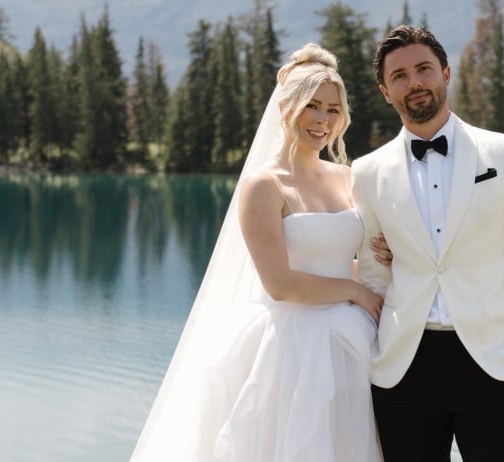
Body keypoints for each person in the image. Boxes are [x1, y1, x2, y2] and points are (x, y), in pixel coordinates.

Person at [131, 43, 384, 461]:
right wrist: (355, 291)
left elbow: (349, 255)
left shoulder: (348, 177)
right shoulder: (264, 185)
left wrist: (378, 262)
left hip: (351, 343)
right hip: (290, 350)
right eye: (312, 106)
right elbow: (280, 284)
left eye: (333, 110)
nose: (322, 120)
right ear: (287, 108)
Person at [352, 25, 504, 461]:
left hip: (493, 365)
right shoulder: (367, 172)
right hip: (402, 367)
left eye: (424, 69)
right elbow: (373, 272)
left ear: (446, 73)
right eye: (400, 76)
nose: (415, 82)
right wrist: (371, 354)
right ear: (386, 91)